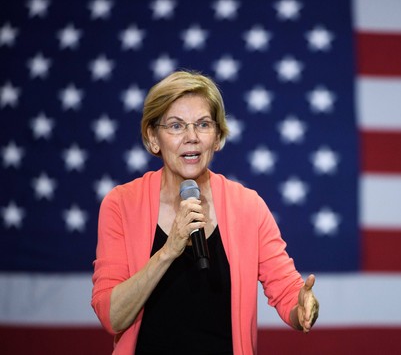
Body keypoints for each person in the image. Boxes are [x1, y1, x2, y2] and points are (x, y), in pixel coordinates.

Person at [91, 70, 319, 354]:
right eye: (176, 126)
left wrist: (303, 309)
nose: (192, 137)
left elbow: (287, 292)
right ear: (153, 138)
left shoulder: (248, 206)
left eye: (203, 125)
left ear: (218, 137)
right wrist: (167, 252)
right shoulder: (121, 204)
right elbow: (112, 317)